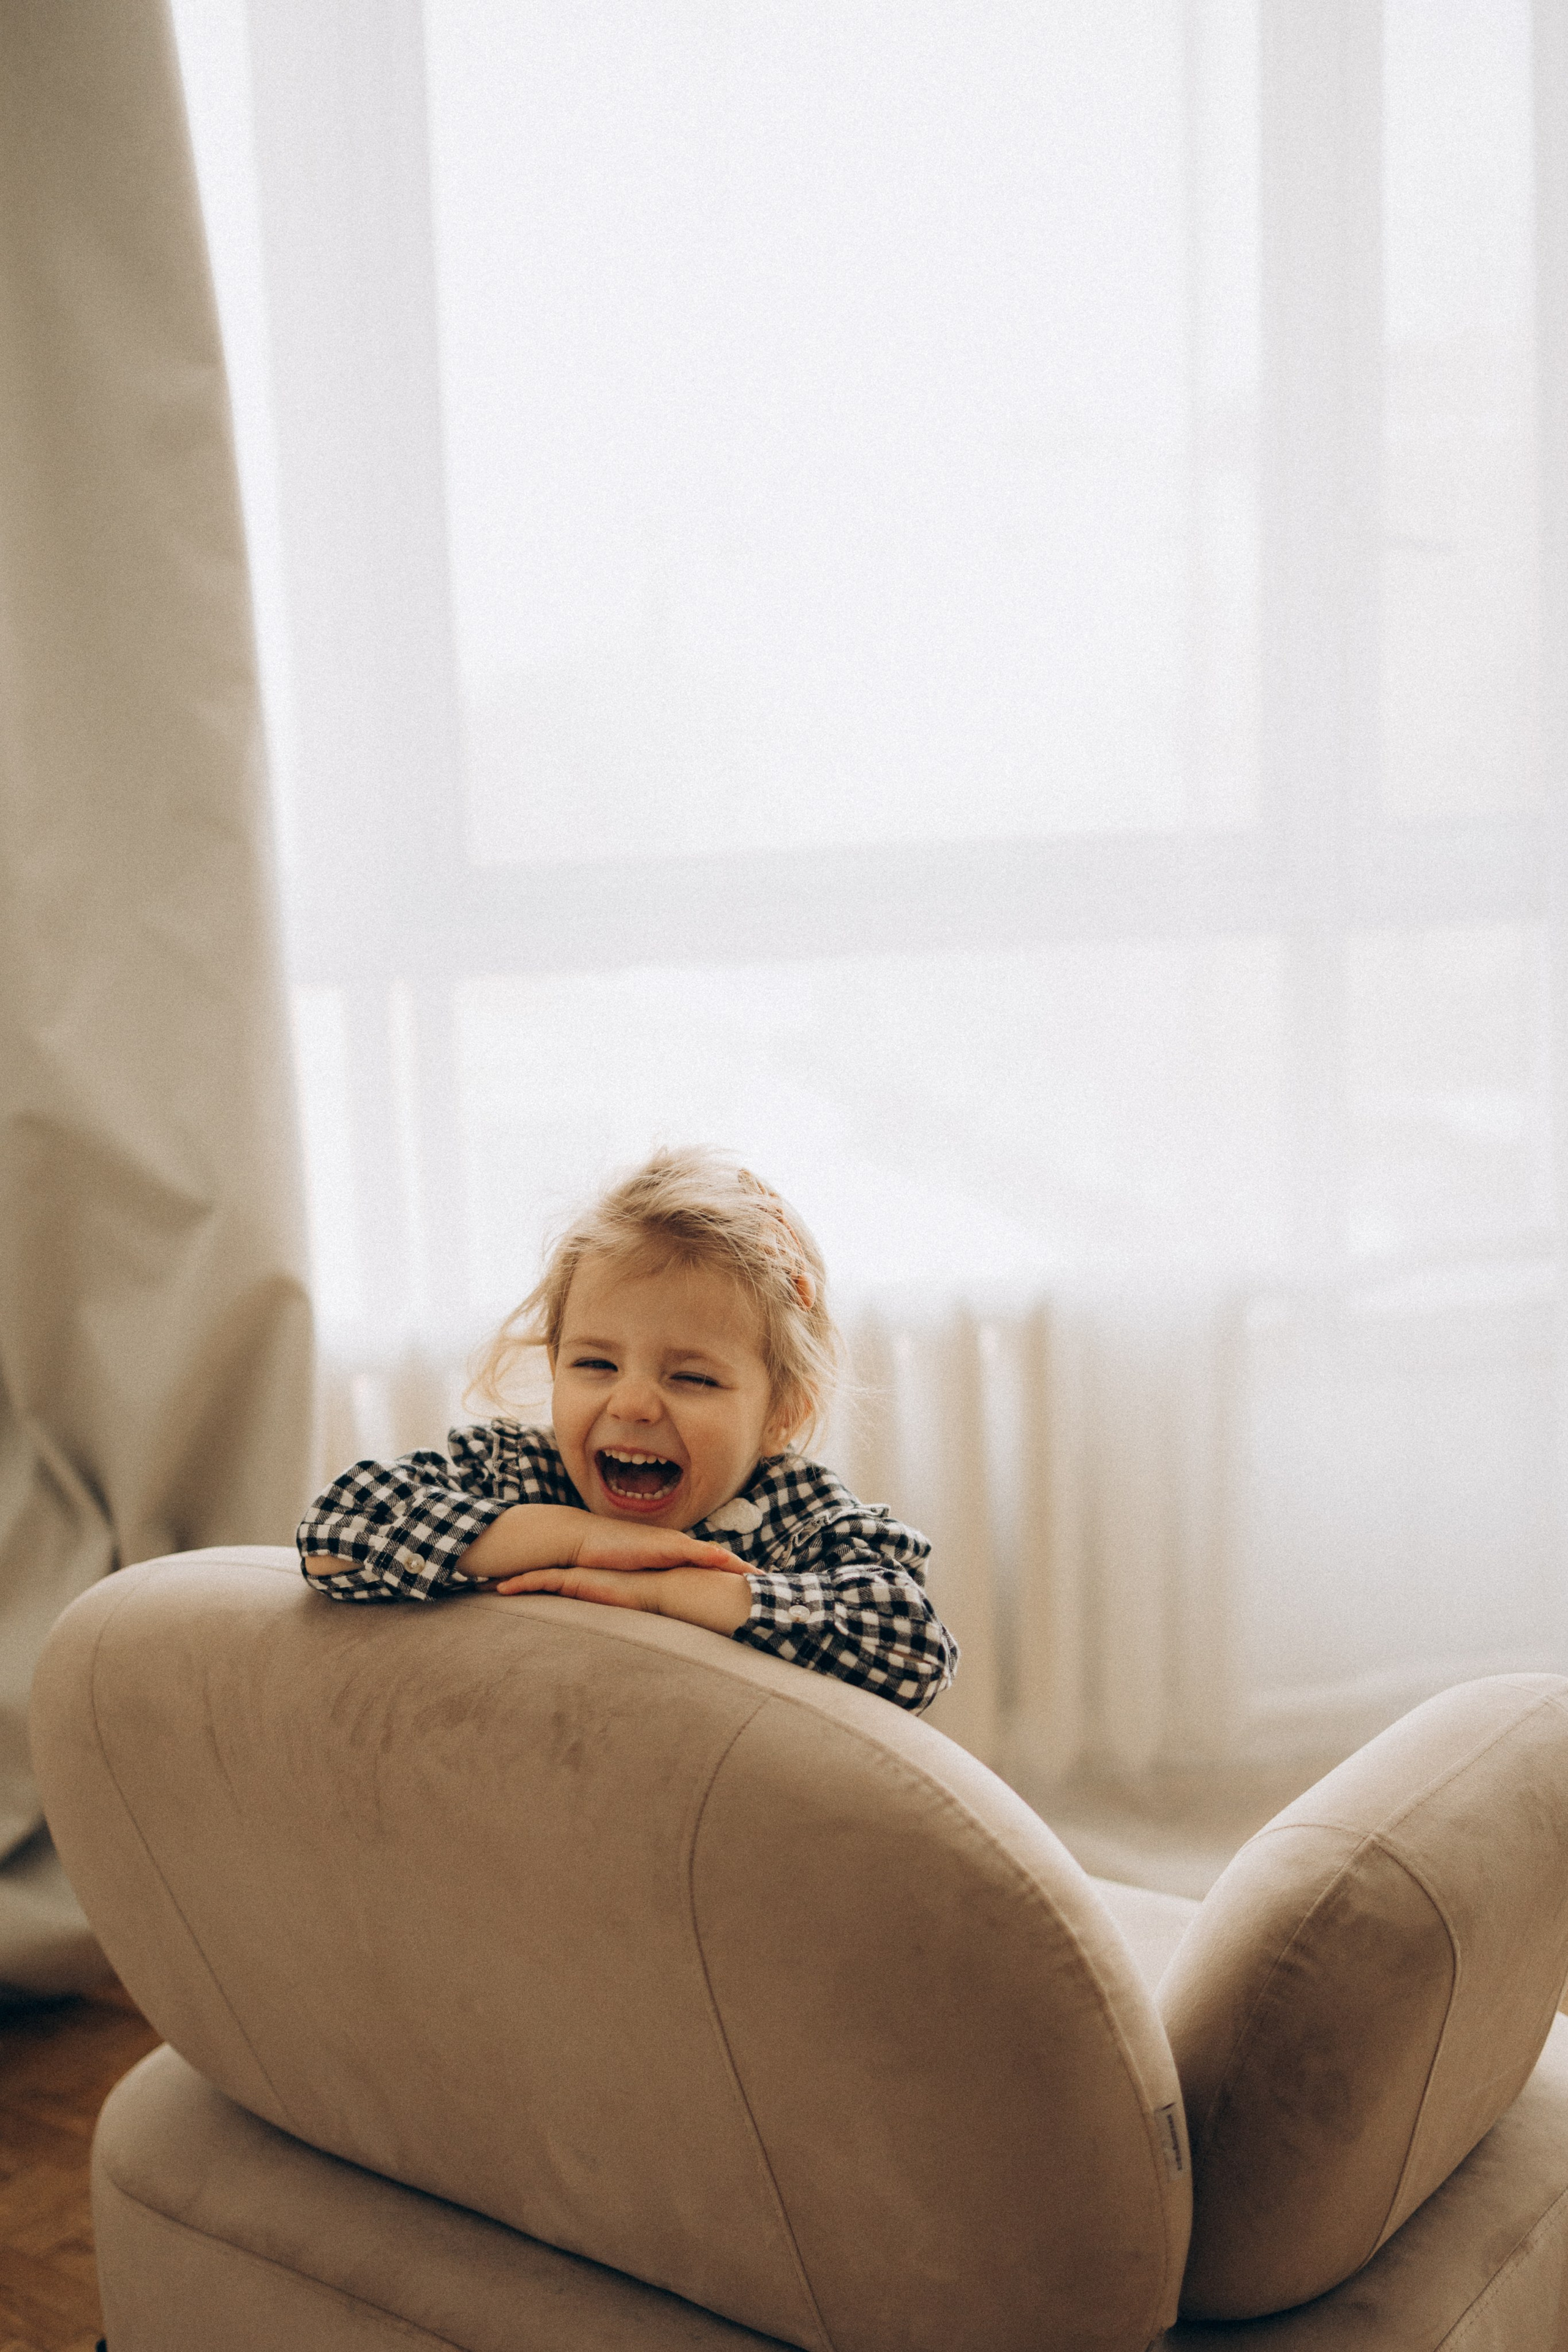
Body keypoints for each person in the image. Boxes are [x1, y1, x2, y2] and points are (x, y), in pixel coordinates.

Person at [298, 1148, 959, 1714]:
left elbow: (915, 1652)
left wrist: (667, 1588)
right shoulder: (516, 1472)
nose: (634, 1403)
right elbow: (333, 1538)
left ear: (783, 1413)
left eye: (693, 1378)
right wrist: (582, 1540)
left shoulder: (799, 1518)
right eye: (594, 1364)